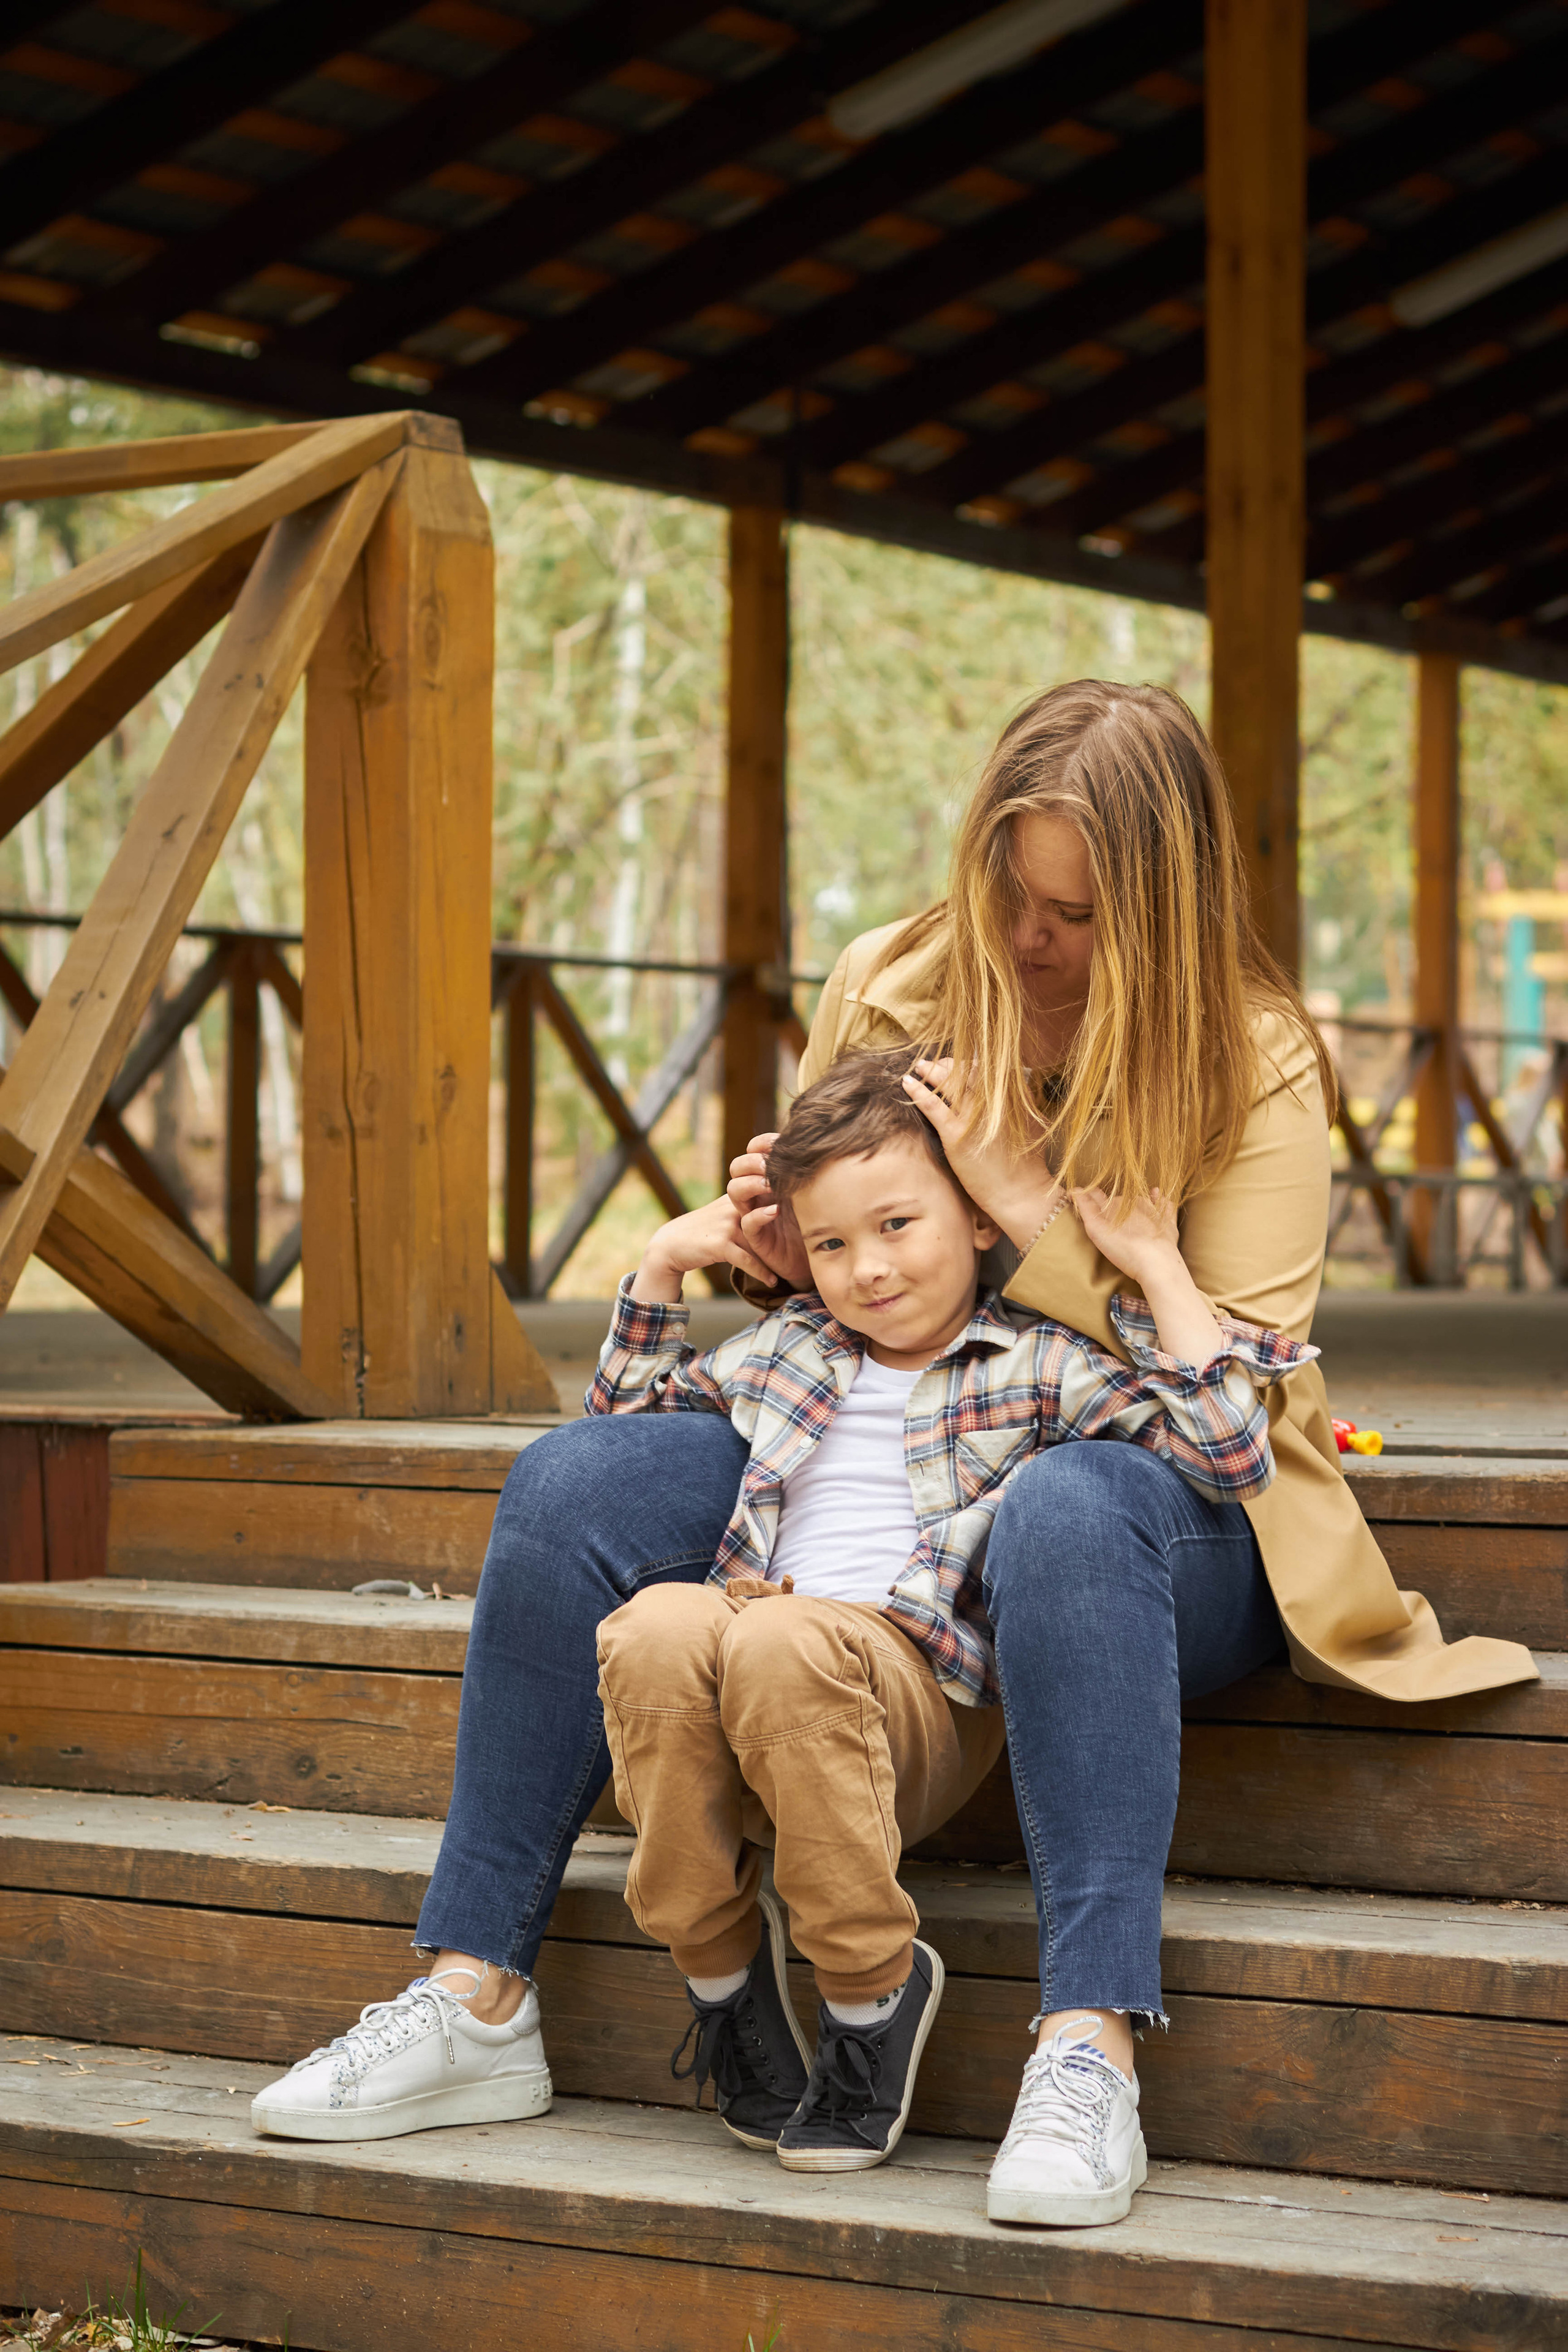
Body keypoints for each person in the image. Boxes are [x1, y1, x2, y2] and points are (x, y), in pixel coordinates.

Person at [252, 680, 1534, 2228]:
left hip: (1156, 1508)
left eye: (1068, 912)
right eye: (1005, 891)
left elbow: (1230, 1412)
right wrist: (770, 1246)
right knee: (570, 1485)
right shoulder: (894, 973)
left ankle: (1087, 2048)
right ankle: (474, 1998)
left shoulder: (1248, 1052)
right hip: (883, 1471)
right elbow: (834, 1279)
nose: (1022, 940)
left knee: (1068, 1506)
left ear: (1156, 905)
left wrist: (1022, 1205)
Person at [590, 1049, 1311, 2192]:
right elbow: (612, 1450)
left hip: (910, 1697)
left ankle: (873, 1989)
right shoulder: (788, 1352)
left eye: (895, 1226)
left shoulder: (1037, 1361)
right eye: (831, 1245)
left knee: (779, 1640)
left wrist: (1154, 1268)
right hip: (752, 1660)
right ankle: (723, 1975)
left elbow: (1230, 1457)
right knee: (652, 1626)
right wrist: (662, 1269)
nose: (866, 1271)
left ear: (978, 1219)